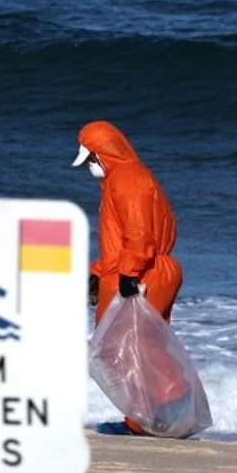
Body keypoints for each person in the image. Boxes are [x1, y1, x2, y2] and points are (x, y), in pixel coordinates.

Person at [73, 120, 183, 436]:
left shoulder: (128, 180)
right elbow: (120, 238)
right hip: (140, 268)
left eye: (92, 159)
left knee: (129, 348)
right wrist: (98, 273)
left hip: (142, 271)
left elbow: (139, 234)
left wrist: (129, 273)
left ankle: (151, 418)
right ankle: (158, 414)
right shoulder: (121, 179)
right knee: (136, 347)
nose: (91, 167)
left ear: (102, 154)